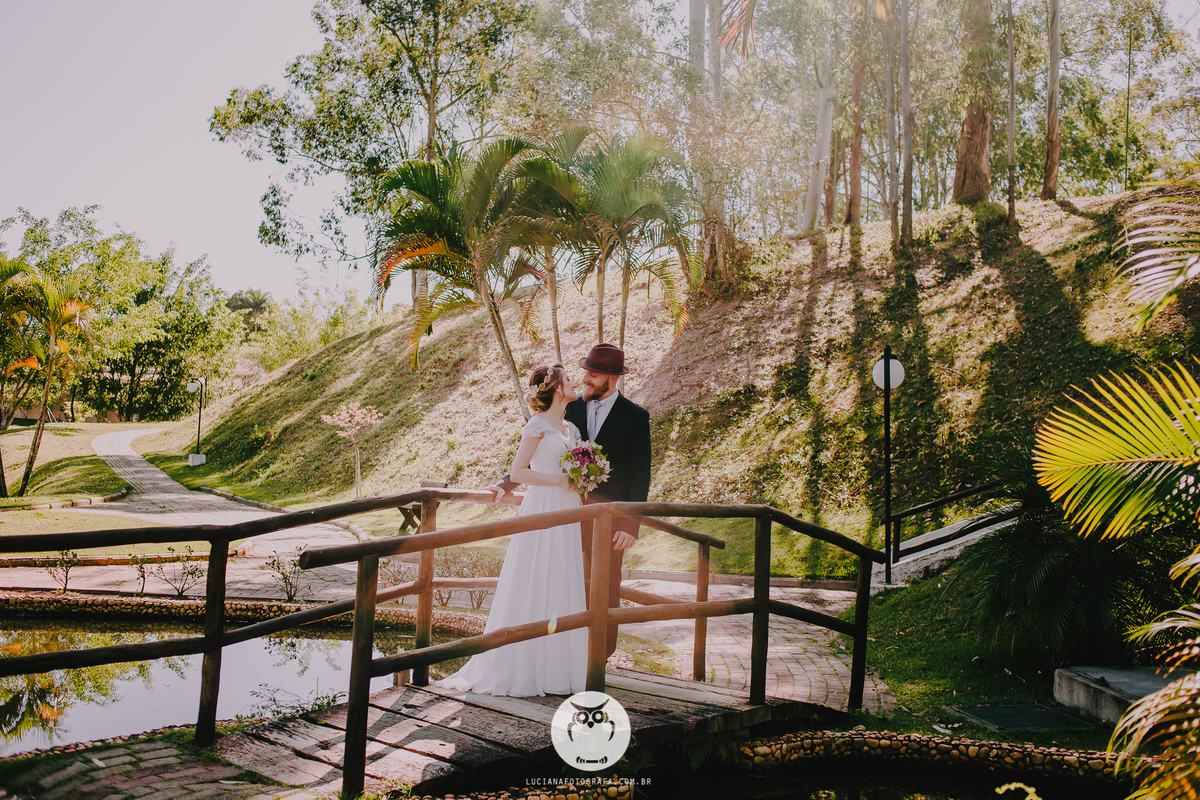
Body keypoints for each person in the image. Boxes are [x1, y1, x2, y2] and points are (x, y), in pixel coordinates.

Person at [490, 343, 652, 659]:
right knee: (559, 579)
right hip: (563, 511)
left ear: (613, 378)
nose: (586, 378)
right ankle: (557, 652)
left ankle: (599, 656)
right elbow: (542, 452)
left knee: (605, 584)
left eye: (594, 374)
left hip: (608, 518)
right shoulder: (570, 408)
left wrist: (631, 524)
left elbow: (640, 475)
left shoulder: (635, 416)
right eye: (585, 372)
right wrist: (504, 483)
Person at [437, 364, 588, 696]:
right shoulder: (537, 425)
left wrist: (582, 477)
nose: (574, 382)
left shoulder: (571, 429)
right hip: (543, 506)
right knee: (534, 576)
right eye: (568, 379)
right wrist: (559, 479)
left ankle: (558, 669)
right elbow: (519, 471)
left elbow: (574, 467)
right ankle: (520, 666)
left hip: (567, 508)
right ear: (556, 388)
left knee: (561, 578)